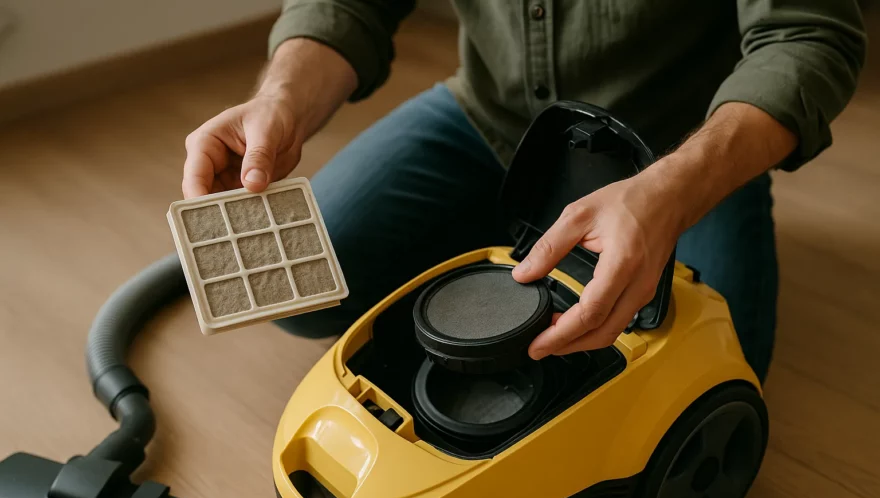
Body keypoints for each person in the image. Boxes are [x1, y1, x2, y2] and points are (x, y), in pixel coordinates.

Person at [182, 1, 866, 383]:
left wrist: (673, 188)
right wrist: (282, 102)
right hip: (488, 118)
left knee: (707, 378)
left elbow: (807, 36)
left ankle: (566, 227)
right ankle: (524, 227)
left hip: (676, 149)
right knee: (301, 292)